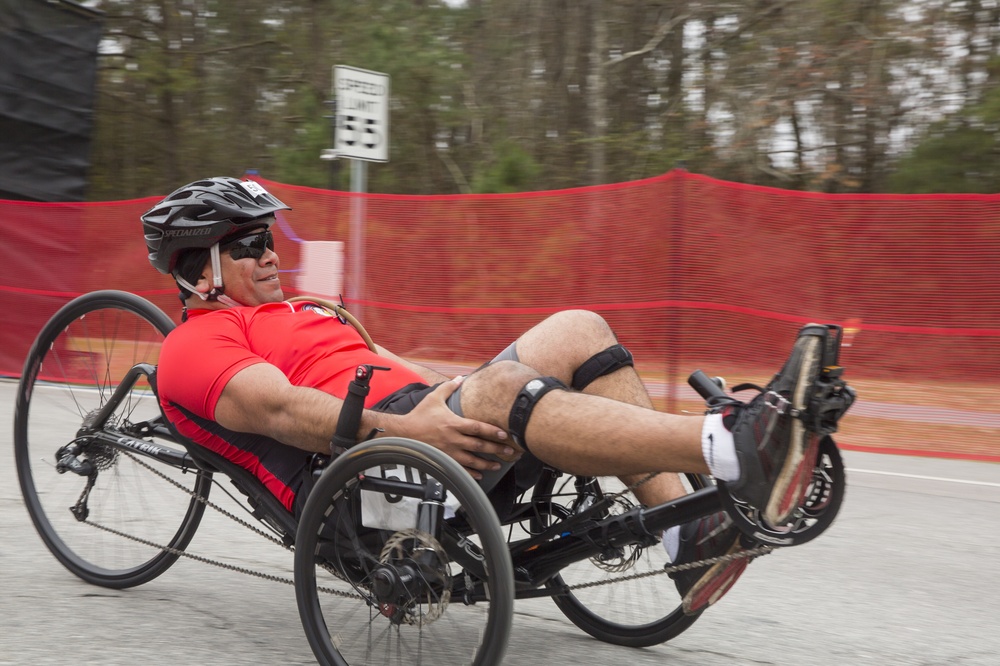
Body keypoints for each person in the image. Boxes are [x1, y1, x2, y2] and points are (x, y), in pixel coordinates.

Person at [141, 176, 849, 615]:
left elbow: (397, 368)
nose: (270, 254)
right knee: (504, 389)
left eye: (269, 240)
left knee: (577, 328)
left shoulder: (310, 312)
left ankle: (683, 532)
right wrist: (415, 425)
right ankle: (731, 444)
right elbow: (281, 411)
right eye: (248, 244)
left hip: (422, 427)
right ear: (198, 266)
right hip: (365, 482)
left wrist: (456, 393)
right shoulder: (195, 344)